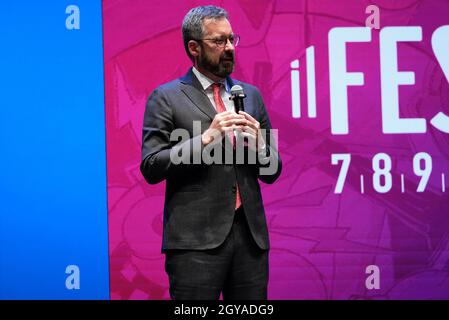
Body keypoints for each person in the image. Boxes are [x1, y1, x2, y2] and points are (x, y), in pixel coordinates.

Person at [140, 5, 282, 300]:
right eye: (219, 41)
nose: (229, 48)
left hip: (250, 241)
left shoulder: (250, 95)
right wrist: (205, 139)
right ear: (194, 47)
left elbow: (272, 171)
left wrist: (259, 146)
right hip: (194, 244)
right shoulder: (167, 97)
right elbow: (151, 166)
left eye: (232, 39)